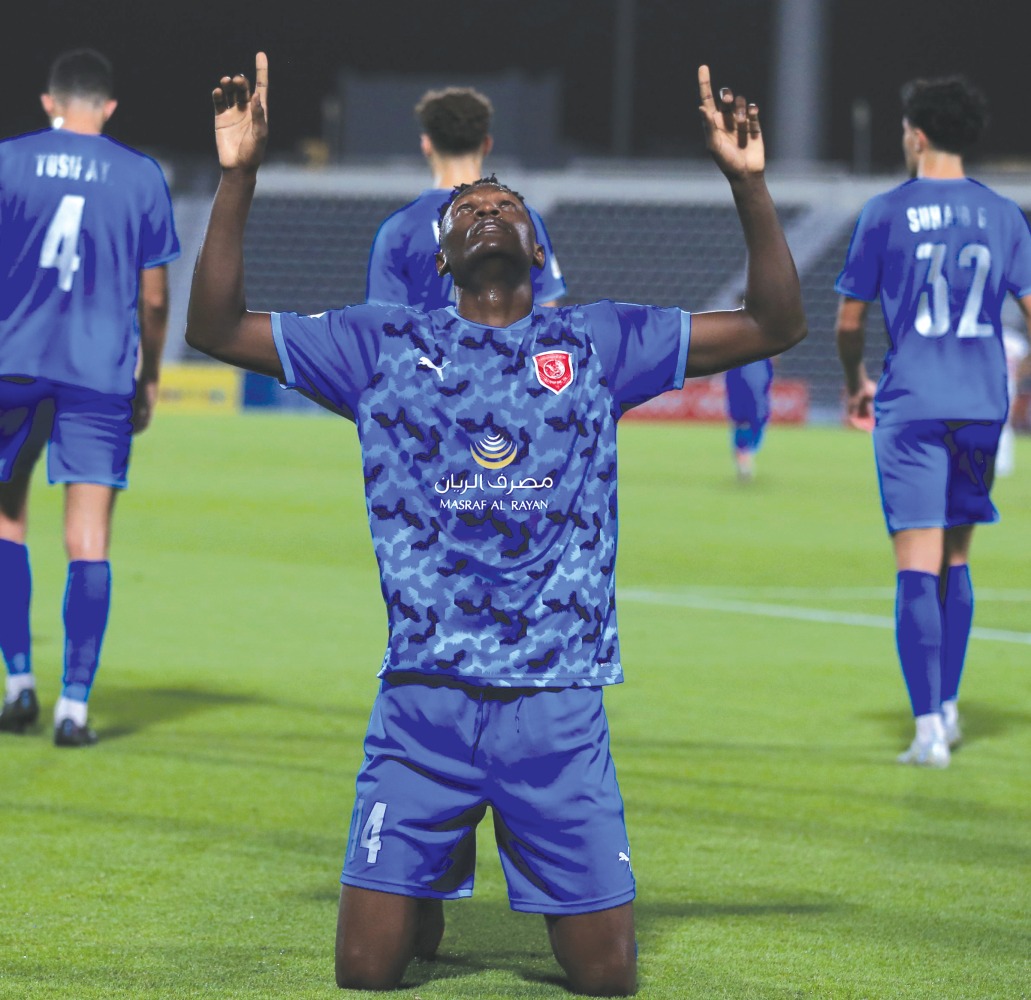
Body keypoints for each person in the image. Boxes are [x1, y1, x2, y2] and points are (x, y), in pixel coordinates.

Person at [185, 53, 804, 995]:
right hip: (421, 704)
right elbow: (217, 327)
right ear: (437, 257)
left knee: (606, 977)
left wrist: (747, 184)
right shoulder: (381, 346)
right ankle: (421, 875)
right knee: (364, 969)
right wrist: (239, 177)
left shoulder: (595, 343)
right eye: (464, 208)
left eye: (505, 202)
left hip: (555, 707)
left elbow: (772, 322)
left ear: (538, 244)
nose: (484, 209)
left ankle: (446, 877)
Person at [835, 74, 1031, 768]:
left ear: (915, 133)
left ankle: (925, 732)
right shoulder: (1004, 215)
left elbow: (849, 318)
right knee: (956, 557)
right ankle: (947, 706)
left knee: (914, 566)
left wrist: (854, 380)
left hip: (913, 403)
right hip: (981, 404)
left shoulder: (886, 211)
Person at [0, 49, 180, 747]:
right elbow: (156, 300)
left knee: (7, 524)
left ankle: (18, 685)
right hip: (98, 372)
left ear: (50, 101)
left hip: (12, 365)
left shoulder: (9, 161)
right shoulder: (138, 174)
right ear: (107, 108)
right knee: (89, 538)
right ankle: (73, 708)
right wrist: (151, 373)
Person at [366, 85, 566, 310]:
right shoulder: (522, 219)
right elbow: (545, 310)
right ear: (487, 144)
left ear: (427, 144)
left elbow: (385, 324)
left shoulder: (398, 229)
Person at [724, 357, 773, 480]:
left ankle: (744, 458)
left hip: (745, 376)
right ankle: (744, 459)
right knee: (747, 424)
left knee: (745, 424)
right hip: (748, 379)